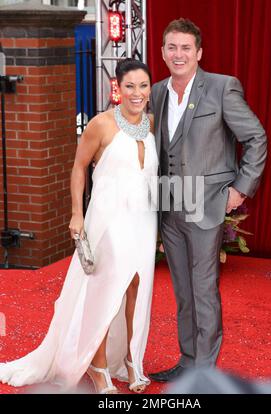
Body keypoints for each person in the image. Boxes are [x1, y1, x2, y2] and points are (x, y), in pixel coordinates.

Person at [0, 58, 158, 394]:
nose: (137, 92)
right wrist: (76, 213)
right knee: (105, 292)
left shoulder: (152, 124)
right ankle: (98, 367)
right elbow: (78, 167)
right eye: (129, 86)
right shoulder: (101, 125)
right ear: (117, 88)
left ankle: (131, 361)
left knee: (135, 290)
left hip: (144, 220)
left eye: (143, 86)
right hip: (108, 219)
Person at [149, 18, 267, 382]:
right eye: (172, 47)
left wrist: (240, 188)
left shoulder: (221, 87)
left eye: (186, 47)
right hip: (169, 206)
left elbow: (256, 137)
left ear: (198, 53)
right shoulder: (157, 92)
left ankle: (204, 375)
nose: (178, 54)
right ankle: (187, 361)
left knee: (203, 290)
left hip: (207, 205)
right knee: (183, 291)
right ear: (164, 51)